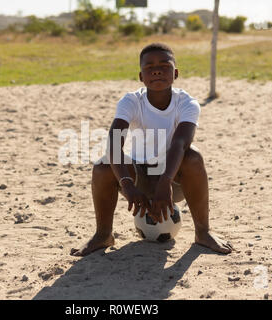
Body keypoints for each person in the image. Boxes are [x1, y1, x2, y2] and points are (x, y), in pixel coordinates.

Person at [70, 43, 234, 256]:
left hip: (173, 179)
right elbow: (114, 141)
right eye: (149, 67)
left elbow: (180, 143)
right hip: (138, 177)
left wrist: (165, 181)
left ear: (175, 73)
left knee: (193, 157)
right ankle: (103, 234)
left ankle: (203, 232)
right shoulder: (131, 101)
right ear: (141, 76)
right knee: (102, 166)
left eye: (164, 65)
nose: (157, 70)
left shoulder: (186, 103)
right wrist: (126, 183)